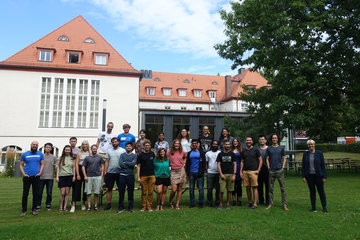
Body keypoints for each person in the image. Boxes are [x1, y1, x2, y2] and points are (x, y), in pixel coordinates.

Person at [302, 139, 327, 213]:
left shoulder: (319, 153)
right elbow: (303, 166)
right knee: (312, 192)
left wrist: (324, 176)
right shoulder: (305, 154)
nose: (311, 146)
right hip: (309, 176)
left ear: (314, 145)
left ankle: (324, 208)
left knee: (321, 192)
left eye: (312, 144)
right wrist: (303, 176)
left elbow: (323, 166)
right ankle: (313, 208)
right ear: (308, 146)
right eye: (309, 144)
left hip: (318, 176)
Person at [20, 140, 44, 216]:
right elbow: (21, 165)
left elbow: (42, 164)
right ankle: (24, 210)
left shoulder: (40, 154)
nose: (35, 146)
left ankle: (34, 210)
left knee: (35, 194)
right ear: (31, 145)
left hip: (36, 177)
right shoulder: (25, 154)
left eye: (36, 145)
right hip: (27, 176)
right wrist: (23, 174)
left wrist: (40, 173)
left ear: (38, 146)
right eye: (34, 144)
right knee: (25, 194)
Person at [266, 134, 288, 210]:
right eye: (273, 138)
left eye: (276, 138)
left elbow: (284, 158)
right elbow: (267, 159)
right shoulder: (269, 148)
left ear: (278, 139)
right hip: (271, 171)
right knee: (270, 189)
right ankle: (271, 204)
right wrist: (268, 167)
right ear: (271, 139)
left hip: (279, 170)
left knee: (283, 188)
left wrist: (283, 167)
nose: (274, 139)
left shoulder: (281, 148)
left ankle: (284, 204)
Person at [103, 137, 125, 211]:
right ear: (111, 143)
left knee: (121, 189)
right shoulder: (109, 151)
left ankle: (121, 204)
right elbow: (107, 161)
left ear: (118, 142)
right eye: (113, 142)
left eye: (116, 141)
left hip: (120, 173)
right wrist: (105, 171)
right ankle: (108, 205)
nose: (114, 143)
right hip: (110, 172)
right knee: (109, 189)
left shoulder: (122, 151)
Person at [240, 136, 262, 210]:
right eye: (247, 140)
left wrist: (258, 170)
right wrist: (241, 171)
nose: (248, 141)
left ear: (252, 141)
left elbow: (260, 160)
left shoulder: (256, 150)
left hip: (253, 171)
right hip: (245, 171)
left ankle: (255, 204)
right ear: (245, 141)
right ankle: (250, 202)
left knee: (254, 187)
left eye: (250, 140)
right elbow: (242, 162)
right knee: (247, 187)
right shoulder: (243, 151)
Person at [82, 145, 104, 212]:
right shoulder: (87, 158)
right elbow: (83, 167)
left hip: (97, 177)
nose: (94, 150)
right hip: (89, 176)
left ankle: (95, 206)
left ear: (97, 149)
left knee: (96, 192)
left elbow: (102, 166)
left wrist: (102, 175)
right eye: (93, 148)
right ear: (91, 149)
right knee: (88, 192)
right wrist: (85, 176)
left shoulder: (100, 157)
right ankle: (89, 206)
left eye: (95, 148)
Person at [185, 139, 206, 208]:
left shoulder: (201, 152)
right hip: (191, 172)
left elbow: (204, 163)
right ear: (191, 145)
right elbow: (187, 163)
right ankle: (192, 203)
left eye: (195, 143)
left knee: (200, 189)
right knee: (191, 189)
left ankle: (201, 203)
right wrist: (187, 172)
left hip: (199, 172)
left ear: (197, 144)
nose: (194, 144)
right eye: (193, 143)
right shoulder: (189, 153)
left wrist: (202, 172)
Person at [71, 140, 90, 212]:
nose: (85, 146)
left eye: (86, 144)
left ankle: (84, 204)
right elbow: (76, 164)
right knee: (76, 188)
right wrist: (77, 174)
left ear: (88, 145)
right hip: (79, 169)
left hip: (87, 170)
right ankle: (73, 205)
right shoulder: (79, 153)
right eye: (83, 144)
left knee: (86, 188)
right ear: (82, 145)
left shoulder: (90, 153)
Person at [36, 143, 57, 211]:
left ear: (51, 148)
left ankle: (48, 205)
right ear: (44, 148)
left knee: (49, 193)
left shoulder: (53, 157)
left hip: (50, 177)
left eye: (49, 147)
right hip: (41, 177)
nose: (48, 148)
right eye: (46, 147)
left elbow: (55, 166)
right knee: (39, 193)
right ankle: (38, 205)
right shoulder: (41, 156)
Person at [217, 140, 237, 210]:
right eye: (226, 144)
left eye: (228, 144)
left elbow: (235, 164)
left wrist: (234, 174)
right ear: (223, 145)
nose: (227, 146)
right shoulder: (220, 154)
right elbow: (218, 164)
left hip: (231, 174)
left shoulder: (232, 154)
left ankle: (228, 203)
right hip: (223, 174)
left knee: (229, 190)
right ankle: (220, 204)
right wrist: (221, 174)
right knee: (221, 190)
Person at [118, 142, 137, 213]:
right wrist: (129, 164)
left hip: (130, 175)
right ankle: (121, 207)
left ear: (132, 147)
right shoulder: (122, 155)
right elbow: (120, 164)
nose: (128, 147)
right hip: (122, 175)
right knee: (121, 192)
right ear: (125, 147)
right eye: (127, 146)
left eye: (130, 146)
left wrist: (125, 162)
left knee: (130, 192)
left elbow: (133, 164)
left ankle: (130, 207)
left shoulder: (134, 156)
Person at [137, 140, 156, 212]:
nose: (147, 146)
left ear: (150, 146)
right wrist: (138, 177)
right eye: (146, 145)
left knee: (150, 192)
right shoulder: (140, 155)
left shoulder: (152, 154)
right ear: (143, 146)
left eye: (148, 145)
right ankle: (144, 206)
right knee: (144, 192)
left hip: (152, 175)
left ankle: (149, 206)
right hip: (143, 175)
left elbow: (155, 164)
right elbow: (138, 166)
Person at [168, 139, 187, 210]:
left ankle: (177, 204)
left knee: (179, 188)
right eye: (175, 144)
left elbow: (185, 157)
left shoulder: (182, 152)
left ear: (180, 145)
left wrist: (184, 164)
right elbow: (166, 159)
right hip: (173, 171)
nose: (177, 145)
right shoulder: (170, 152)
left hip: (181, 170)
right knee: (173, 189)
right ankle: (170, 201)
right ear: (173, 144)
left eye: (178, 144)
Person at [56, 145, 75, 212]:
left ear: (70, 151)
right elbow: (58, 167)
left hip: (70, 176)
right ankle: (60, 207)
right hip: (62, 176)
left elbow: (74, 168)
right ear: (64, 150)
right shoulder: (61, 158)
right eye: (66, 150)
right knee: (62, 193)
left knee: (67, 192)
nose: (67, 151)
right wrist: (57, 176)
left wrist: (74, 176)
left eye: (69, 150)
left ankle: (65, 207)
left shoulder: (72, 158)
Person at [205, 140, 221, 207]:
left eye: (216, 144)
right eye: (214, 144)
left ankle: (217, 202)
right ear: (211, 145)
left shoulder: (220, 153)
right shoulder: (207, 153)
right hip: (210, 173)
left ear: (218, 145)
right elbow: (206, 163)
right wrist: (207, 171)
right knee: (209, 189)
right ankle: (209, 203)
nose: (215, 145)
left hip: (218, 173)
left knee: (218, 189)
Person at [257, 135, 270, 206]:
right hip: (259, 169)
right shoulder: (257, 149)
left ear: (266, 140)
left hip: (267, 169)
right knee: (260, 186)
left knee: (268, 186)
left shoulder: (269, 149)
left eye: (263, 139)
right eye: (260, 139)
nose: (262, 140)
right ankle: (261, 201)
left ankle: (268, 201)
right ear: (259, 141)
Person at [231, 137, 243, 206]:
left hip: (238, 168)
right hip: (232, 168)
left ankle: (239, 200)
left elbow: (242, 161)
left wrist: (241, 170)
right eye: (234, 141)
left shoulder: (241, 150)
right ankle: (233, 200)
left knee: (239, 185)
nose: (235, 142)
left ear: (238, 142)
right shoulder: (230, 150)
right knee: (233, 185)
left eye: (236, 141)